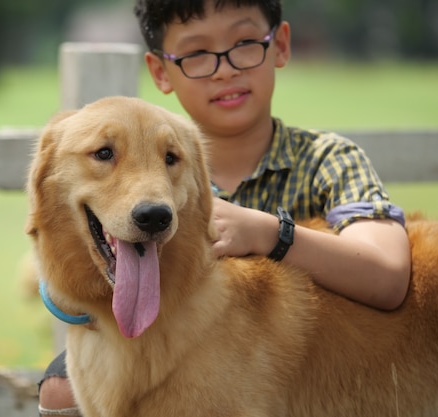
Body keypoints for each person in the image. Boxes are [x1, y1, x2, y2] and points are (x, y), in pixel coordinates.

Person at [37, 0, 412, 415]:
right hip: (147, 354)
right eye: (197, 53)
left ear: (280, 45)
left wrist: (269, 233)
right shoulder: (149, 173)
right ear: (161, 70)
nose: (224, 68)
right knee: (60, 385)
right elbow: (61, 262)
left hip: (308, 365)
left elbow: (390, 276)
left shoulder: (330, 160)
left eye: (246, 43)